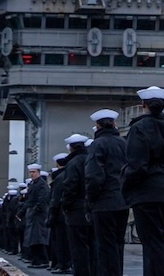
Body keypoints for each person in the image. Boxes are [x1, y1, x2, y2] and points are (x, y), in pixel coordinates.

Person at [122, 86, 164, 276]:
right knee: (162, 242)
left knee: (150, 244)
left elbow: (136, 165)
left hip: (145, 192)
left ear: (144, 105)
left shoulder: (138, 128)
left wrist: (126, 187)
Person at [85, 108, 129, 276]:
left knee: (105, 247)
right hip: (122, 201)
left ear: (97, 125)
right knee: (118, 244)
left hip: (104, 202)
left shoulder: (98, 144)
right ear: (114, 124)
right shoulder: (123, 143)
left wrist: (91, 200)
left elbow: (94, 176)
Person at [60, 133, 94, 276]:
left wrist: (65, 205)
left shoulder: (73, 163)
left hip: (76, 210)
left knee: (78, 247)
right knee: (92, 246)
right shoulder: (90, 160)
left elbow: (69, 188)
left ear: (71, 148)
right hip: (91, 208)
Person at [19, 163, 52, 267]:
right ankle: (36, 260)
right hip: (33, 213)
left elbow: (42, 199)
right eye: (30, 172)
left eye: (33, 172)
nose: (31, 174)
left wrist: (35, 210)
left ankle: (42, 260)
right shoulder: (33, 184)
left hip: (39, 214)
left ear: (38, 172)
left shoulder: (41, 184)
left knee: (38, 238)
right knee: (32, 238)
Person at [48, 155, 72, 274]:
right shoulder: (69, 173)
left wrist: (51, 216)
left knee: (60, 242)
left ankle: (62, 265)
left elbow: (55, 199)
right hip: (70, 212)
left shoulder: (59, 178)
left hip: (60, 214)